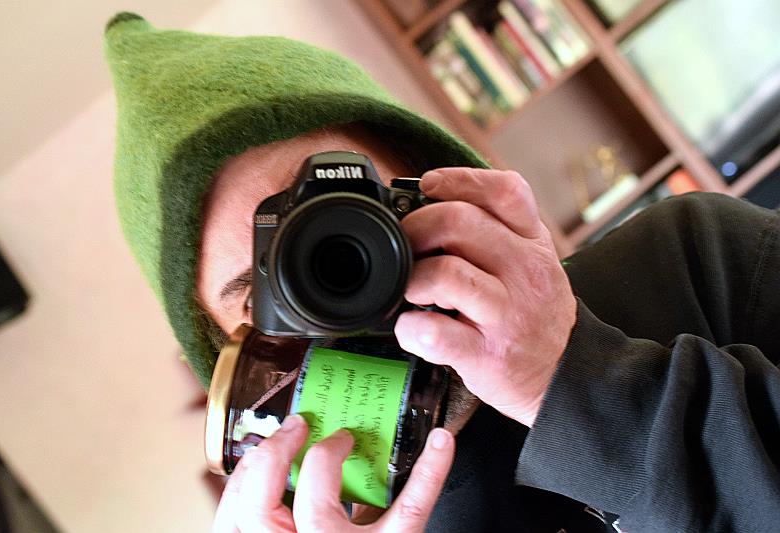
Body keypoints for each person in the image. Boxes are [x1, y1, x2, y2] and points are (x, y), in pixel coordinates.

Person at [105, 13, 780, 533]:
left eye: (345, 226)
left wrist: (572, 381)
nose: (332, 291)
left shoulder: (698, 258)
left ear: (437, 184)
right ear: (237, 359)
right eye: (263, 294)